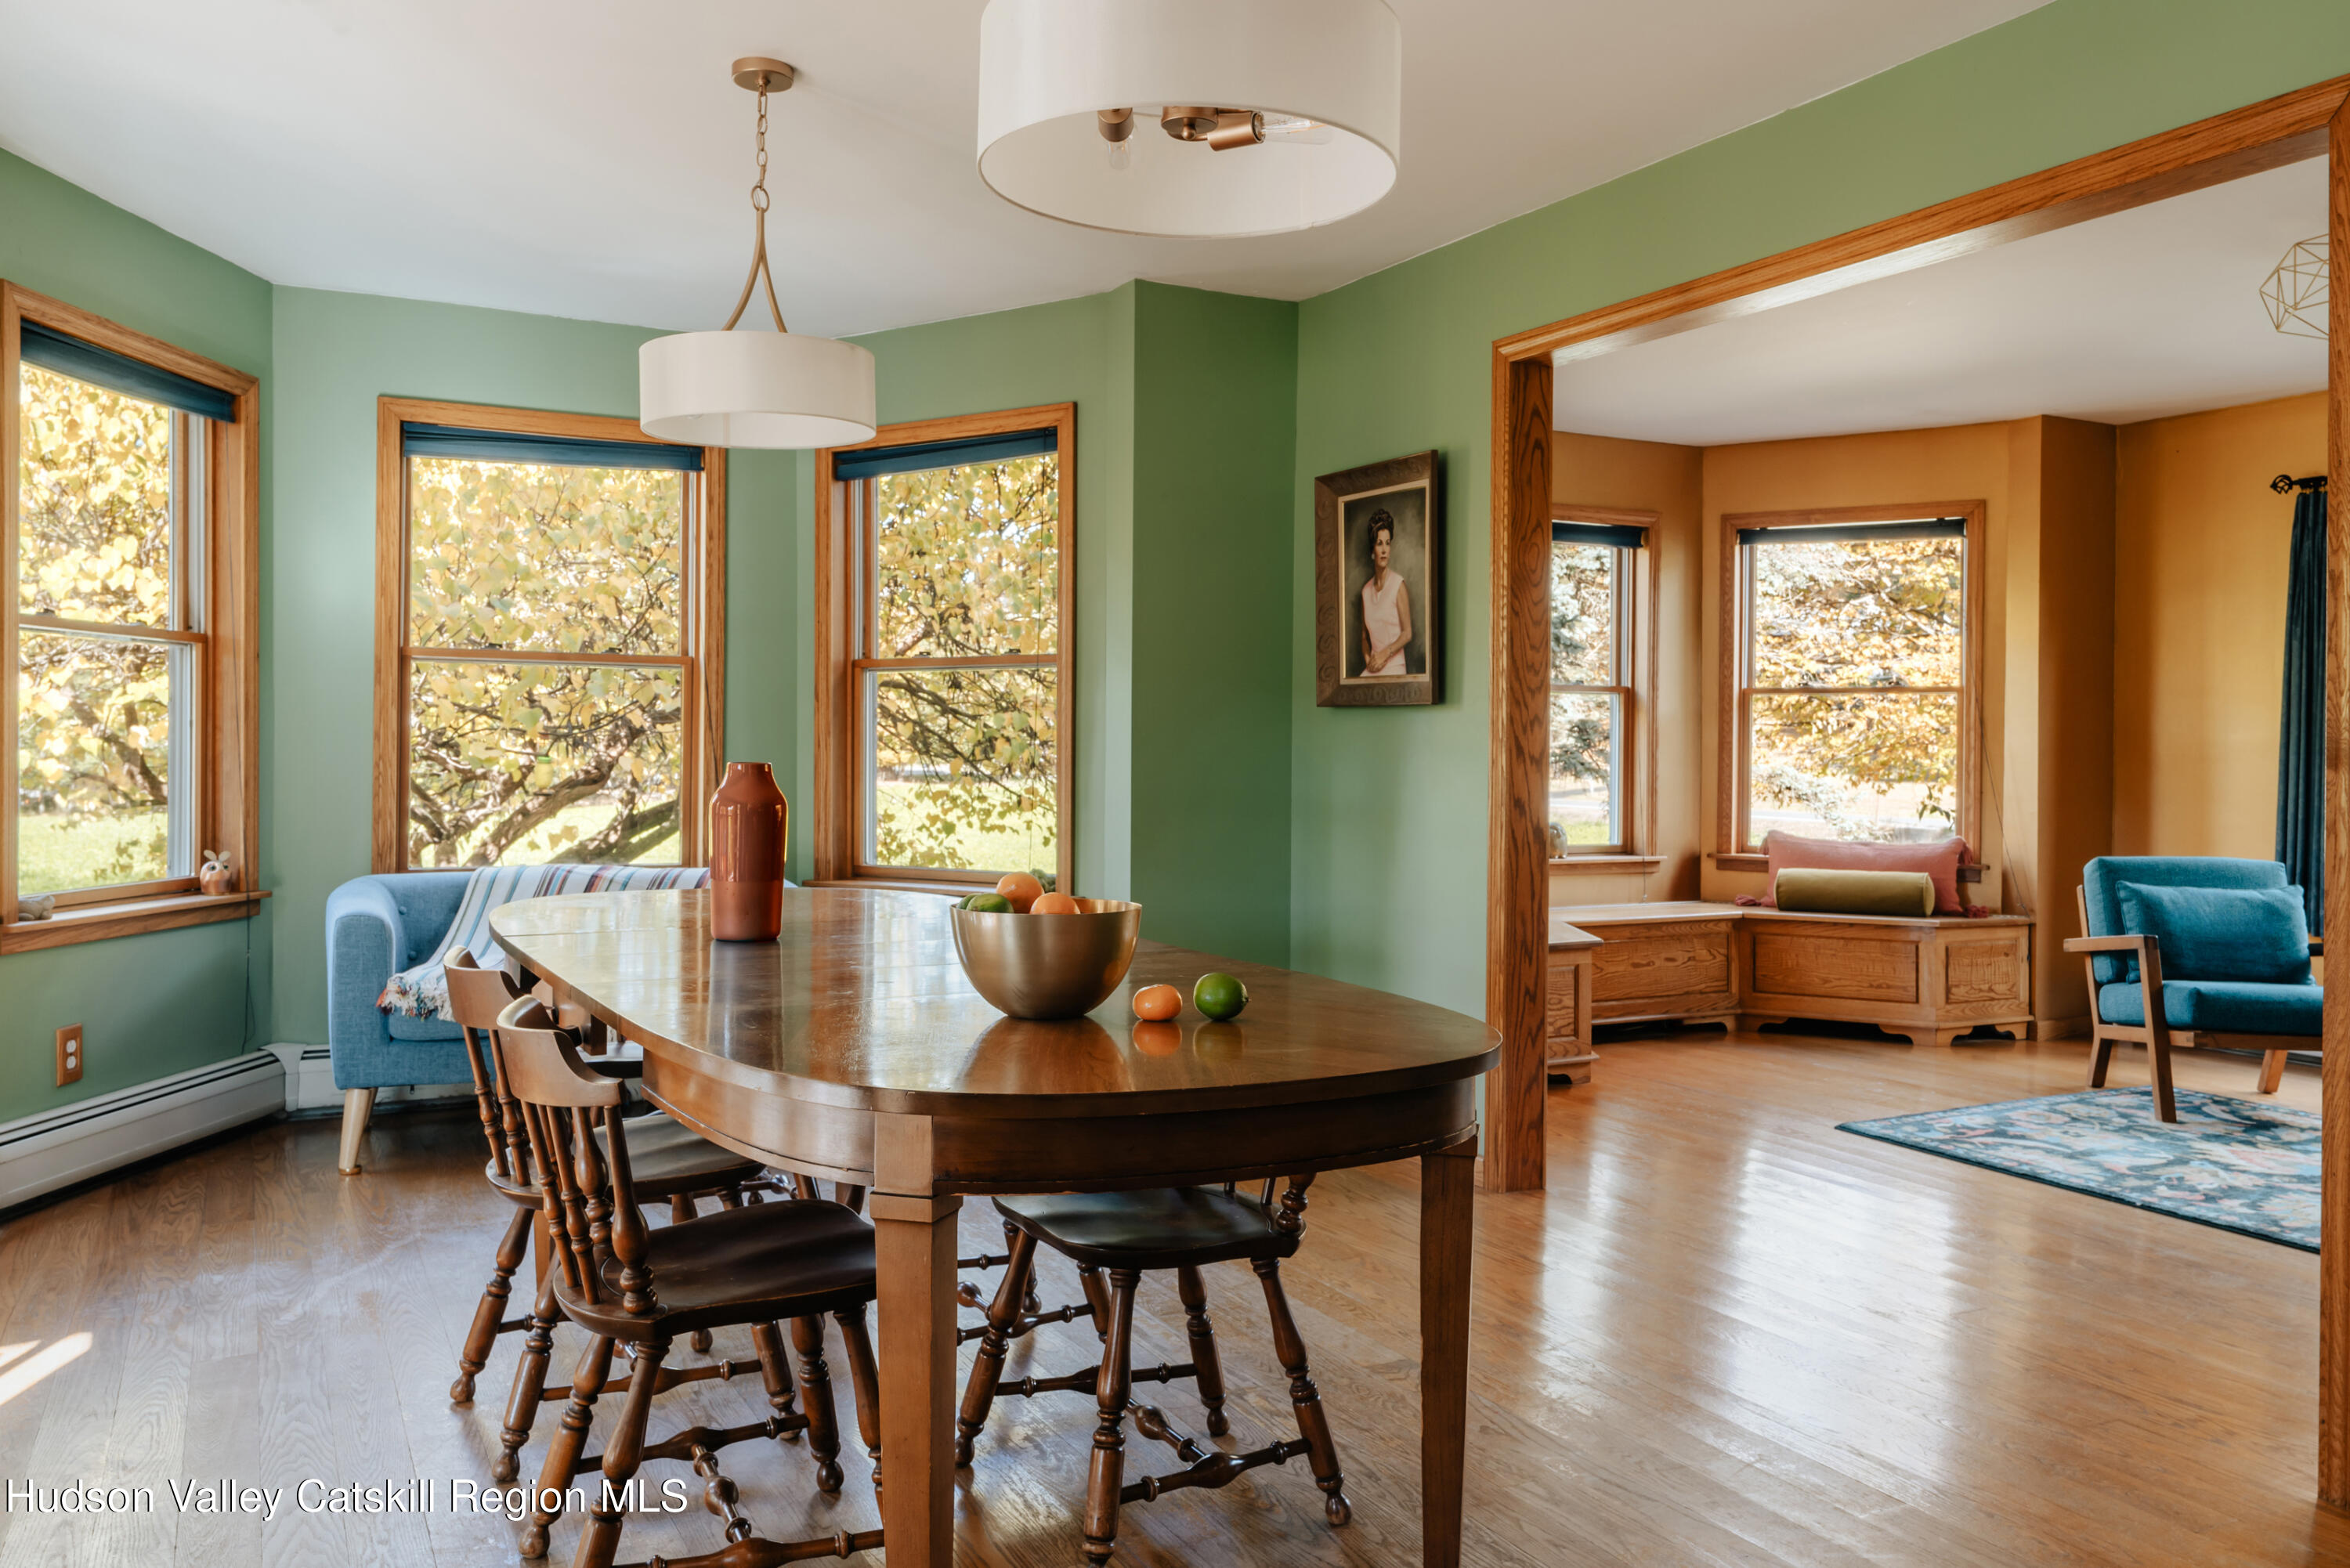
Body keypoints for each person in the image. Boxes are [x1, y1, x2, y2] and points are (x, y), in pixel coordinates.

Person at [1358, 508, 1413, 676]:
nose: (1384, 550)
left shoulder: (1398, 585)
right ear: (1372, 549)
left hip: (1394, 667)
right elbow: (1364, 638)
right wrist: (1370, 662)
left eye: (1388, 543)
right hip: (1373, 667)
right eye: (1379, 543)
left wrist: (1384, 654)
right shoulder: (1365, 591)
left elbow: (1407, 633)